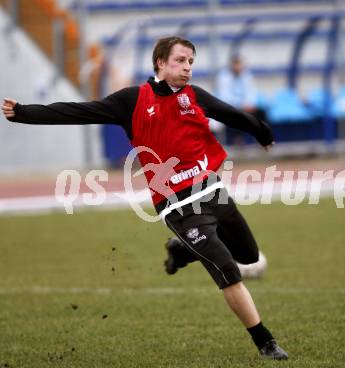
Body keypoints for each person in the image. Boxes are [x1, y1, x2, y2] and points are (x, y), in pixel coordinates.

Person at [2, 36, 288, 360]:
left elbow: (229, 113)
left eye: (191, 62)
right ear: (160, 63)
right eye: (180, 61)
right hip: (180, 207)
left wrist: (262, 131)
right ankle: (265, 343)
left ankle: (183, 249)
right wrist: (24, 112)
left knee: (248, 256)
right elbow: (79, 111)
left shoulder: (193, 96)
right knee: (228, 272)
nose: (187, 68)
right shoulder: (133, 100)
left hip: (213, 192)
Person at [216, 54, 267, 145]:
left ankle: (261, 139)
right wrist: (240, 105)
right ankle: (238, 140)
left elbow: (251, 92)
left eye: (239, 64)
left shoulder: (247, 75)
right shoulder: (223, 77)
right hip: (231, 106)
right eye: (236, 64)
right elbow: (225, 96)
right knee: (237, 115)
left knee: (261, 113)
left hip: (246, 106)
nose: (238, 67)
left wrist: (249, 104)